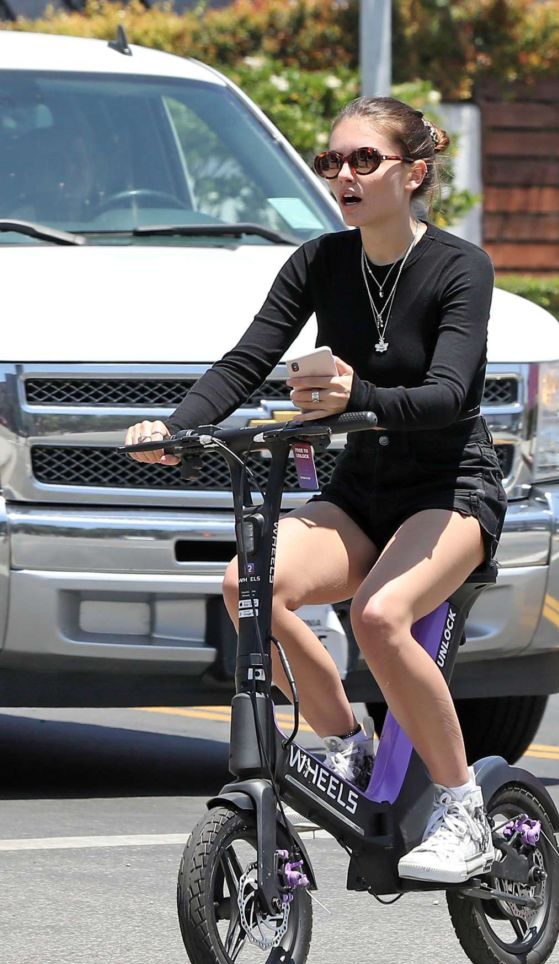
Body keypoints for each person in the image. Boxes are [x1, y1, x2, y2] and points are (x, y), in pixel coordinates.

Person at [126, 96, 507, 885]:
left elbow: (446, 395)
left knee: (378, 616)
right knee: (247, 586)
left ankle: (461, 804)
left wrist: (355, 397)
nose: (344, 175)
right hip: (363, 490)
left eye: (364, 160)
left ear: (415, 172)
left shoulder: (459, 266)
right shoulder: (318, 262)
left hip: (451, 488)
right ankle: (341, 740)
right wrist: (177, 425)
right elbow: (245, 361)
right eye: (333, 161)